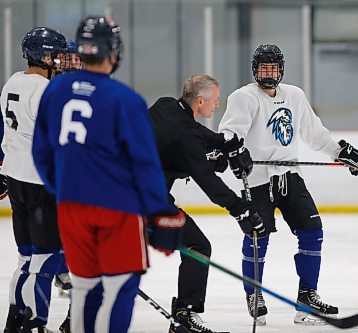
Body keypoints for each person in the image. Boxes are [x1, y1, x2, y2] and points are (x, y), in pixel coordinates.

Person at [32, 16, 184, 333]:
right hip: (118, 210)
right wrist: (160, 213)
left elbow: (41, 150)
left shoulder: (56, 88)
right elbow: (145, 165)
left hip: (71, 208)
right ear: (114, 51)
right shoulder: (125, 100)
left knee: (85, 287)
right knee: (122, 285)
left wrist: (62, 188)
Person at [218, 44, 358, 325]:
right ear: (255, 70)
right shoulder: (243, 97)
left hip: (290, 177)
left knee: (313, 231)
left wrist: (340, 152)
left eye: (273, 67)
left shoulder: (295, 95)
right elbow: (230, 132)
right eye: (263, 68)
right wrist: (231, 149)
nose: (268, 73)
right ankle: (254, 293)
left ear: (281, 69)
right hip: (259, 180)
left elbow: (314, 133)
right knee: (257, 237)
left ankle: (307, 297)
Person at [148, 73, 265, 333]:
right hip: (147, 206)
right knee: (198, 245)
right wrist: (241, 210)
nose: (217, 105)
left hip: (116, 198)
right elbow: (209, 184)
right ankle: (185, 315)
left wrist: (224, 143)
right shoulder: (186, 137)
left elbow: (180, 141)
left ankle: (73, 319)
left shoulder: (165, 105)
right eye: (215, 100)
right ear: (200, 101)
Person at [0, 26, 72, 333]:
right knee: (43, 260)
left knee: (26, 258)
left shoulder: (13, 81)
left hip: (16, 177)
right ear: (43, 56)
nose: (60, 60)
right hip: (41, 183)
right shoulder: (45, 92)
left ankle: (15, 321)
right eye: (56, 55)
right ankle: (33, 321)